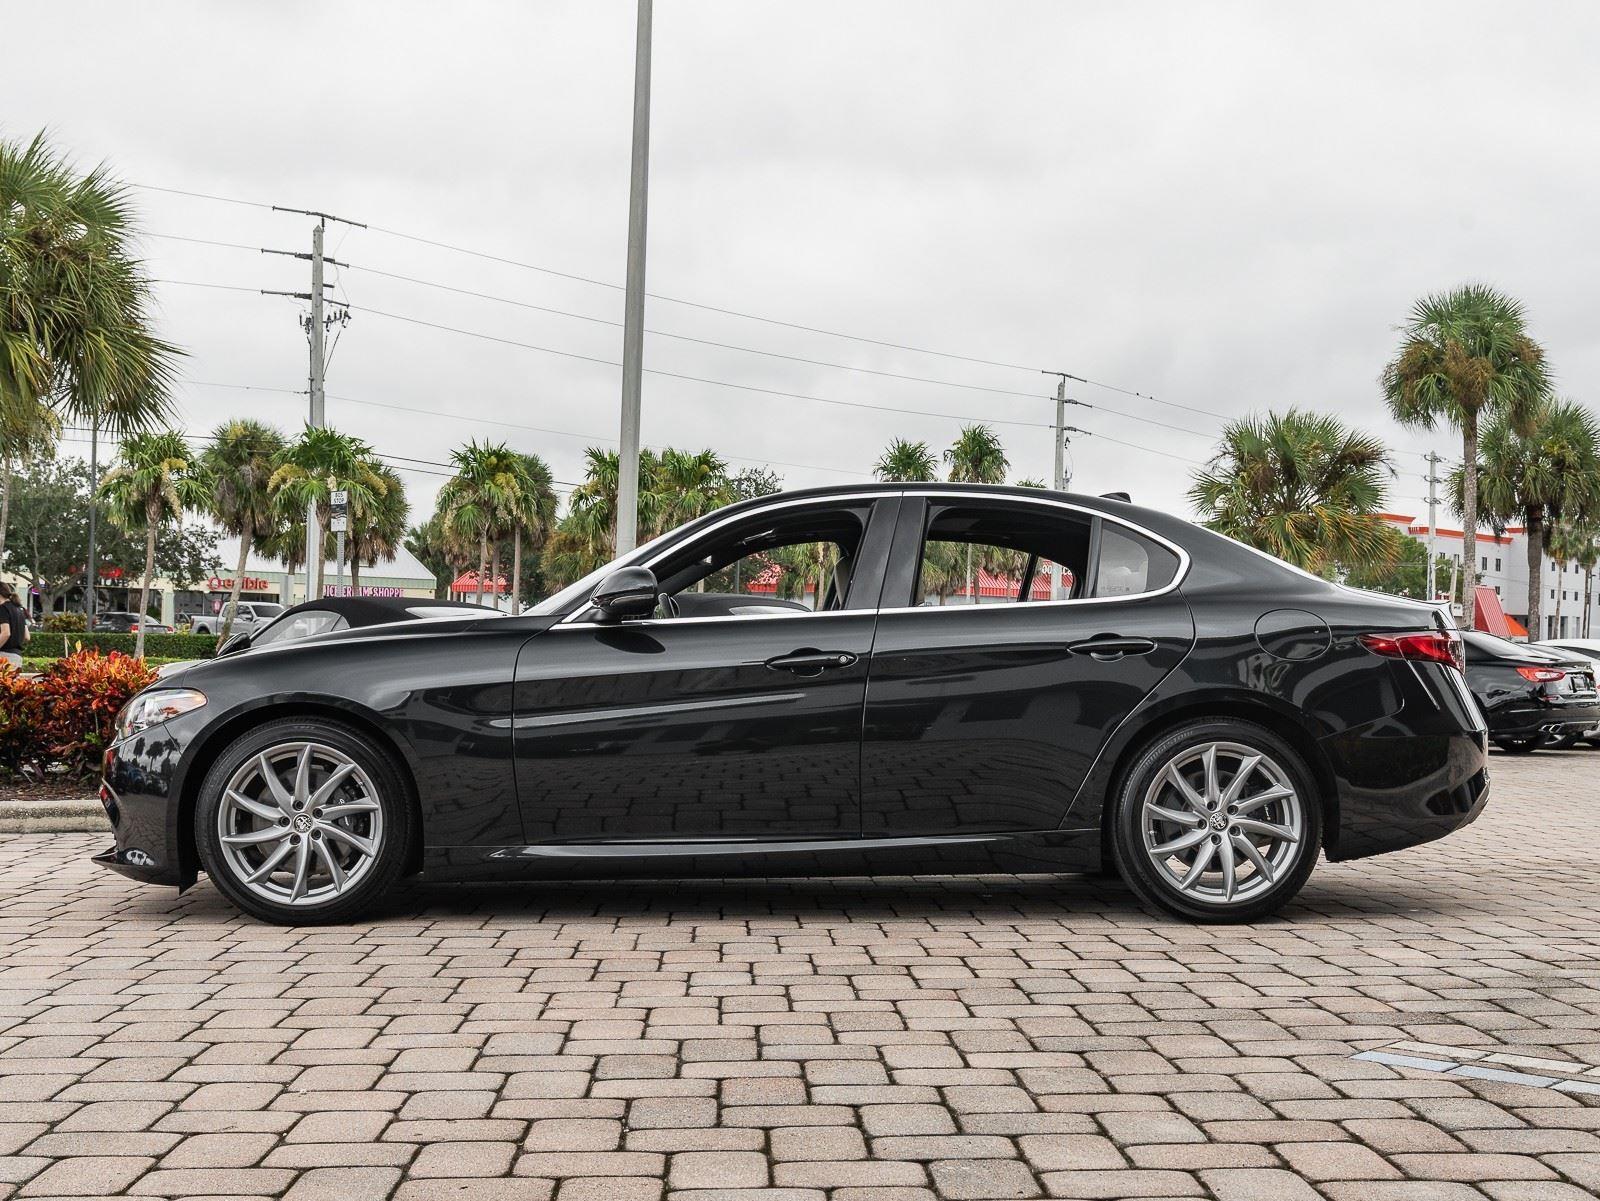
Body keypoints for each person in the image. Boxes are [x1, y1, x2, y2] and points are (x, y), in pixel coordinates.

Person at [0, 583, 28, 670]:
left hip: (4, 658)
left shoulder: (2, 608)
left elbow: (6, 633)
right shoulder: (19, 609)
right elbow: (27, 636)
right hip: (17, 658)